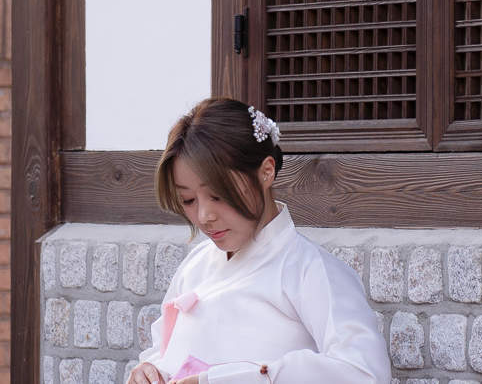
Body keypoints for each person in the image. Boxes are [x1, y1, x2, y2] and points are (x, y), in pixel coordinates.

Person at [127, 98, 391, 384]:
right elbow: (162, 351)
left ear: (266, 171)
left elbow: (365, 372)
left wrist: (246, 377)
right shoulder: (195, 265)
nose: (204, 216)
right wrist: (150, 370)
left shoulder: (309, 270)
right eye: (188, 200)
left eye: (217, 194)